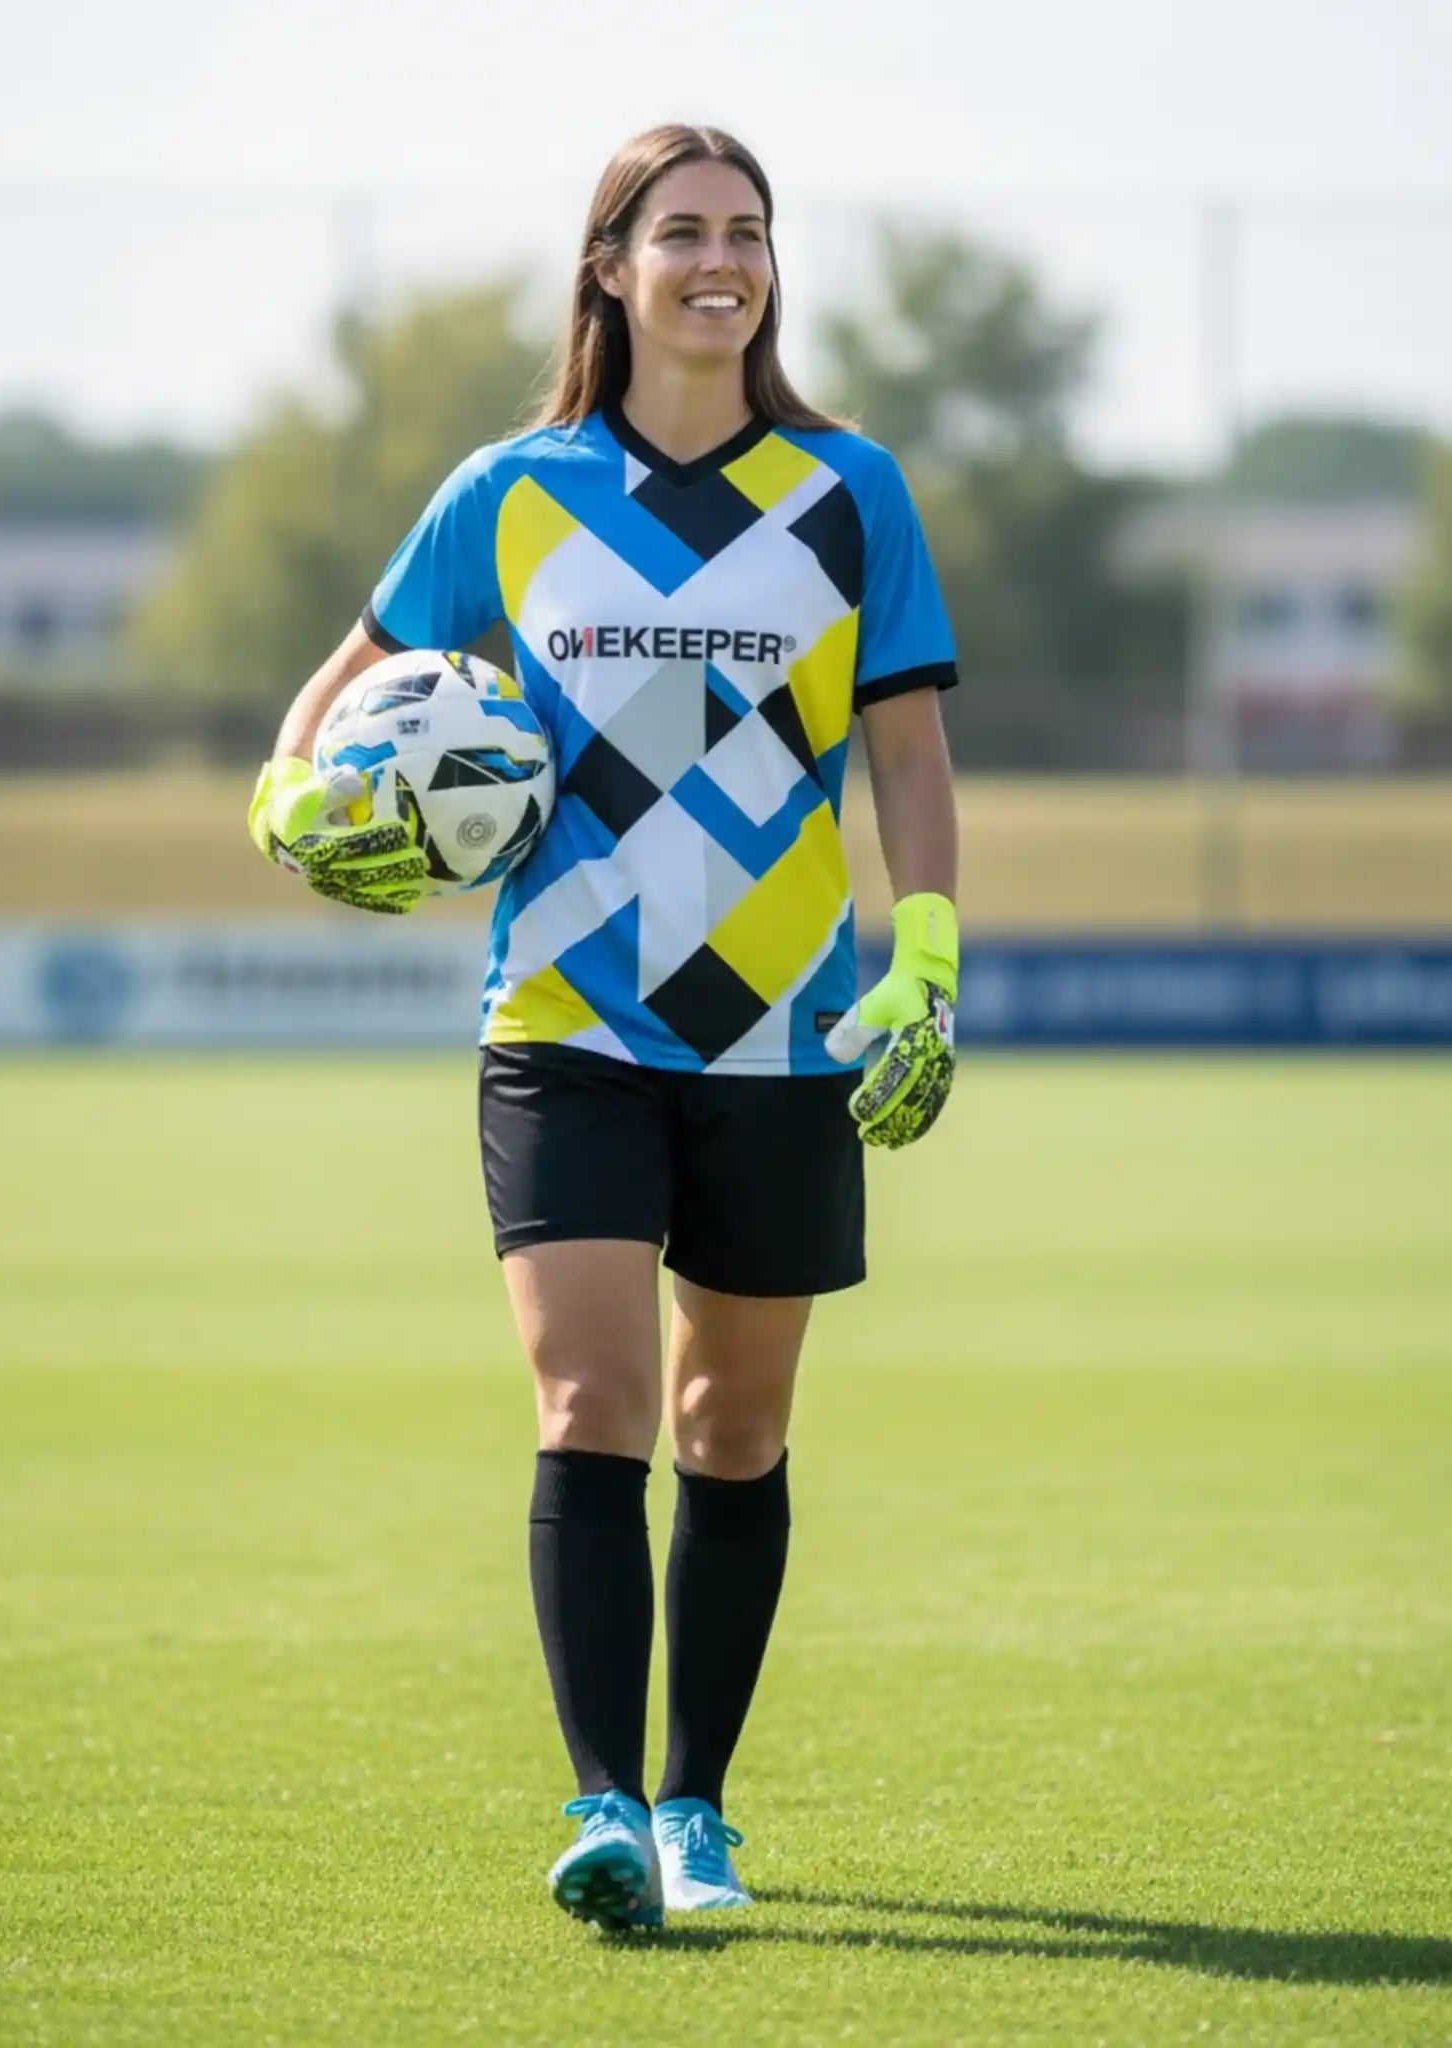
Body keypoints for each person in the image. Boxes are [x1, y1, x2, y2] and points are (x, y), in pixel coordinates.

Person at [248, 122, 961, 1932]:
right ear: (611, 268)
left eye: (750, 233)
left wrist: (928, 955)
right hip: (564, 1017)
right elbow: (332, 701)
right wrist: (286, 799)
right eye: (683, 233)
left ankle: (696, 1806)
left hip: (790, 1032)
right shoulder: (508, 492)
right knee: (593, 1398)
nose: (721, 261)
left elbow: (906, 753)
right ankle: (600, 1810)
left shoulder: (849, 489)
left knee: (734, 1427)